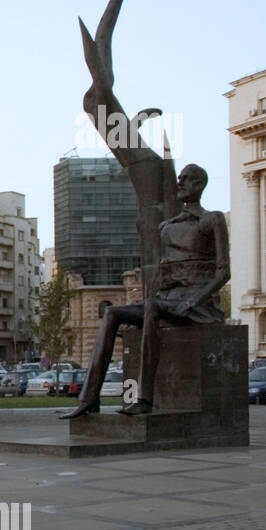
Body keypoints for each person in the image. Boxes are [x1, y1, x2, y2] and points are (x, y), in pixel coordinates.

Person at [62, 164, 228, 418]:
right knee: (113, 313)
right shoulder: (166, 227)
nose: (180, 183)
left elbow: (223, 272)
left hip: (198, 304)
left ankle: (145, 400)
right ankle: (89, 399)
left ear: (200, 185)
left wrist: (194, 300)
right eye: (179, 178)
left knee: (152, 307)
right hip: (168, 299)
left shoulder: (212, 219)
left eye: (187, 179)